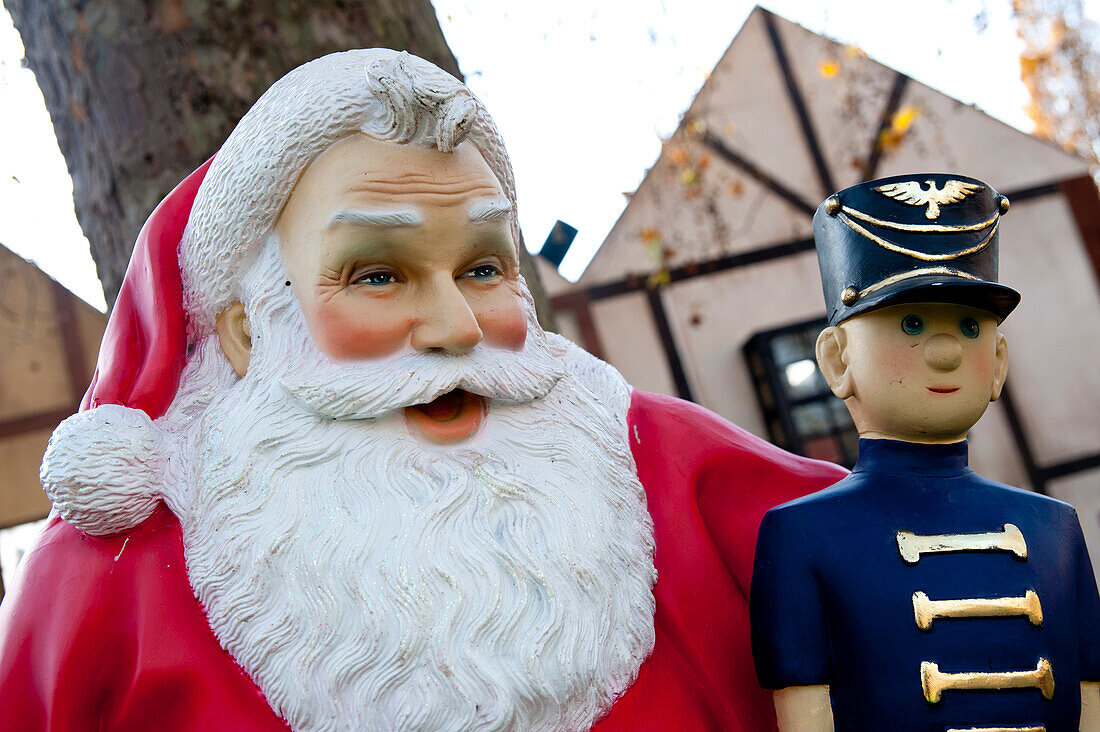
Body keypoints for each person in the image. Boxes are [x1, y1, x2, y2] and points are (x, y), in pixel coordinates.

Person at [0, 50, 844, 731]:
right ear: (246, 331)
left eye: (482, 267)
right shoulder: (107, 583)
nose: (455, 327)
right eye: (377, 275)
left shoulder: (670, 471)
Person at [750, 173, 1100, 731]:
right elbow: (805, 711)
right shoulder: (801, 536)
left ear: (999, 363)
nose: (944, 353)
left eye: (968, 325)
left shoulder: (1055, 527)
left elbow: (1089, 697)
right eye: (910, 323)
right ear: (838, 360)